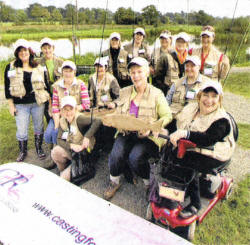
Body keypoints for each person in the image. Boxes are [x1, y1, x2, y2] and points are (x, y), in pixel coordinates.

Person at [103, 57, 172, 201]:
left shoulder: (157, 93)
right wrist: (112, 120)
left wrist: (155, 125)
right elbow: (117, 113)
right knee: (116, 154)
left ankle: (148, 184)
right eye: (133, 72)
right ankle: (114, 181)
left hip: (147, 136)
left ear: (147, 72)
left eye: (139, 72)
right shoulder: (124, 92)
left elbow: (167, 116)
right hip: (126, 132)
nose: (136, 76)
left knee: (135, 158)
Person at [169, 81, 235, 218]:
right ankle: (179, 189)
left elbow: (207, 139)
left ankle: (195, 203)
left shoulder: (222, 120)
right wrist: (165, 129)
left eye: (214, 96)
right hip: (193, 148)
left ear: (219, 99)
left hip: (215, 154)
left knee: (189, 162)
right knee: (171, 155)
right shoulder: (191, 108)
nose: (209, 100)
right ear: (199, 96)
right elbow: (177, 122)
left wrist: (185, 134)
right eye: (206, 95)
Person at [4, 39, 50, 162]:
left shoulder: (39, 67)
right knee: (21, 129)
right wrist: (11, 105)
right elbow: (7, 89)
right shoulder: (10, 67)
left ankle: (39, 148)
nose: (23, 53)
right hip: (20, 105)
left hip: (37, 103)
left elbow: (47, 85)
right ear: (17, 53)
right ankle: (22, 151)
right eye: (20, 51)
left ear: (29, 52)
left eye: (25, 50)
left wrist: (49, 102)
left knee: (39, 127)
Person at [51, 96, 101, 184]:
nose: (68, 112)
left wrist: (87, 136)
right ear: (61, 111)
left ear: (75, 109)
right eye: (65, 109)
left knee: (63, 179)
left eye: (71, 109)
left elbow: (97, 121)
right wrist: (71, 146)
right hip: (73, 151)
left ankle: (69, 174)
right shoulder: (62, 121)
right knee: (55, 152)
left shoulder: (80, 119)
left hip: (83, 155)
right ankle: (65, 170)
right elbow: (59, 140)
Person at [44, 60, 90, 153]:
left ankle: (65, 151)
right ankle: (55, 151)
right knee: (50, 134)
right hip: (61, 116)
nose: (68, 74)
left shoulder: (81, 84)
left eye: (70, 71)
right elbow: (55, 107)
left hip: (75, 115)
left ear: (74, 72)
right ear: (62, 72)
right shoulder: (56, 86)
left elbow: (86, 104)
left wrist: (72, 111)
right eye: (65, 71)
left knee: (69, 133)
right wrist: (57, 124)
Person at [88, 57, 120, 152]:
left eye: (101, 66)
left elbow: (120, 97)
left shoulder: (112, 79)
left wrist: (114, 103)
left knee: (106, 126)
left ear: (105, 67)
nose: (99, 69)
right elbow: (88, 94)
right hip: (95, 109)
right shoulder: (91, 78)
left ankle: (108, 147)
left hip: (109, 109)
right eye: (97, 66)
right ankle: (96, 144)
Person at [166, 56, 210, 120]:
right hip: (173, 118)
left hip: (193, 120)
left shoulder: (207, 83)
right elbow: (167, 101)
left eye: (192, 66)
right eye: (187, 66)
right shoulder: (177, 83)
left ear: (199, 67)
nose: (189, 69)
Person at [36, 37, 63, 124]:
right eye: (44, 48)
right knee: (48, 113)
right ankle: (51, 127)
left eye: (49, 48)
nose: (47, 51)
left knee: (61, 113)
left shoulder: (60, 62)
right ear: (41, 49)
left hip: (58, 92)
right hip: (45, 93)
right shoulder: (37, 63)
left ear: (53, 48)